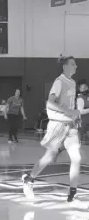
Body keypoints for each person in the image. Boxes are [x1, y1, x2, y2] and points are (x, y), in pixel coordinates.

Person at [22, 56, 88, 209]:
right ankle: (29, 180)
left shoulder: (72, 83)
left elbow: (71, 106)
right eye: (73, 64)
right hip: (58, 126)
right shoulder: (59, 82)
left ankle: (72, 195)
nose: (76, 66)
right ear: (64, 66)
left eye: (76, 64)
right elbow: (50, 103)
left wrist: (75, 116)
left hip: (70, 127)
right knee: (48, 158)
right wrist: (68, 111)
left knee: (76, 158)